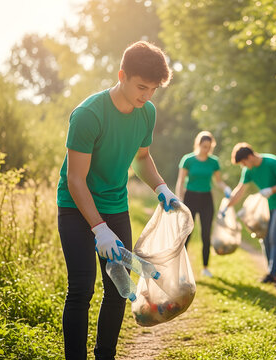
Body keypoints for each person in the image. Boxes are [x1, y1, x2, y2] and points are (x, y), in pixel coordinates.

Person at [56, 41, 180, 360]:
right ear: (122, 75)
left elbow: (142, 157)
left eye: (153, 89)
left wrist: (162, 188)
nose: (147, 96)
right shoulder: (88, 115)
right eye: (141, 87)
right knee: (81, 289)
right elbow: (75, 179)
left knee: (118, 290)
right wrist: (99, 229)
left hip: (115, 205)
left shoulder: (146, 112)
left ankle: (105, 355)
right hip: (75, 207)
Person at [226, 142, 276, 284]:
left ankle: (272, 273)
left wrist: (271, 190)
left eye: (244, 162)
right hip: (267, 206)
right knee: (264, 237)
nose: (243, 166)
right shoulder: (248, 170)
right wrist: (227, 206)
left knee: (274, 237)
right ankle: (272, 272)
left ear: (250, 156)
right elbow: (240, 189)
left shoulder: (272, 162)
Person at [175, 130, 231, 277]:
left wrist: (226, 188)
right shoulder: (188, 160)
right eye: (204, 146)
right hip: (190, 198)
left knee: (206, 235)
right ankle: (182, 269)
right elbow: (180, 181)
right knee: (187, 234)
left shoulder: (214, 162)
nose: (206, 149)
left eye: (208, 147)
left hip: (206, 199)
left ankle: (205, 267)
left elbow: (218, 181)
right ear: (198, 144)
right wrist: (179, 199)